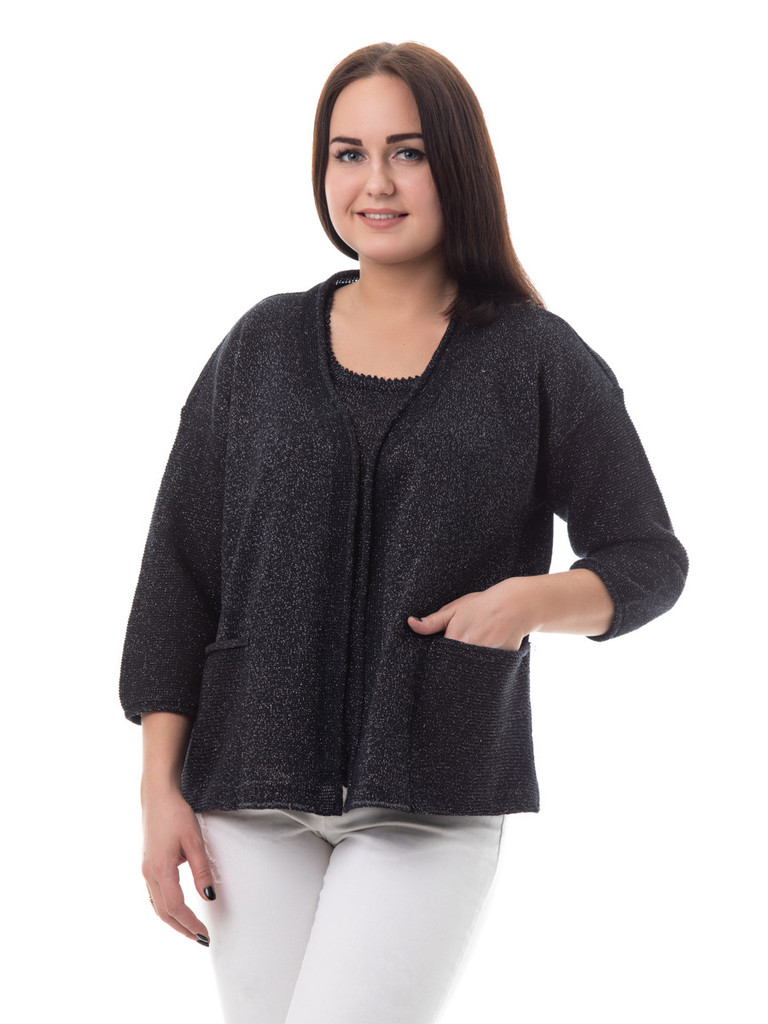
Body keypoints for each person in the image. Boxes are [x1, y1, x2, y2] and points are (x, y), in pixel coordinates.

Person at [119, 41, 688, 1024]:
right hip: (245, 792)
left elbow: (647, 555)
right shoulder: (261, 347)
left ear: (456, 165)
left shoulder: (534, 359)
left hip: (429, 797)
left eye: (408, 152)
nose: (374, 183)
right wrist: (157, 791)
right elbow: (178, 575)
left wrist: (530, 603)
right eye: (348, 153)